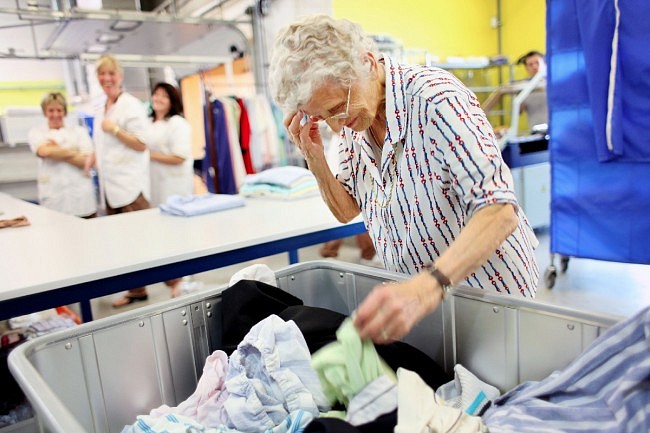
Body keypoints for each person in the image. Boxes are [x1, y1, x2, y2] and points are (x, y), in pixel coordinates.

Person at [269, 15, 539, 344]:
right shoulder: (355, 123)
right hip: (425, 305)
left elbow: (499, 211)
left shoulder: (437, 101)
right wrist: (314, 157)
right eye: (323, 117)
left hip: (490, 297)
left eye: (338, 108)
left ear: (367, 63)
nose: (337, 126)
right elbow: (347, 210)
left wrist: (429, 284)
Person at [85, 54, 152, 308]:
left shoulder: (130, 105)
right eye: (102, 74)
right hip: (111, 186)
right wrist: (91, 157)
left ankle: (175, 282)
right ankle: (136, 290)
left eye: (111, 74)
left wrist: (114, 129)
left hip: (129, 185)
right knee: (125, 243)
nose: (106, 79)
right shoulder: (103, 106)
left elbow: (141, 142)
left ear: (120, 76)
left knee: (145, 238)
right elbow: (102, 143)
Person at [148, 82, 194, 297]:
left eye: (163, 96)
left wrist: (147, 155)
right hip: (155, 186)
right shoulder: (149, 123)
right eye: (155, 94)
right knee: (162, 236)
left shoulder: (178, 124)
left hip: (174, 186)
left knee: (178, 236)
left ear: (172, 100)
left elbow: (179, 156)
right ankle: (172, 279)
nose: (158, 98)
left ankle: (182, 280)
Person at [28, 92, 97, 218]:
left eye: (59, 110)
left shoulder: (78, 132)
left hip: (81, 197)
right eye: (51, 110)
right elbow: (44, 152)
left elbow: (86, 161)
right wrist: (74, 152)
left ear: (64, 111)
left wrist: (57, 150)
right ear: (45, 112)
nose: (55, 114)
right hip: (54, 197)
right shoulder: (37, 132)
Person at [482, 50, 548, 135]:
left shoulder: (552, 82)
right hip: (536, 132)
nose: (534, 66)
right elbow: (518, 111)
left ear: (545, 64)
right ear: (526, 68)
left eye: (537, 63)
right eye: (530, 64)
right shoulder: (523, 86)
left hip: (554, 131)